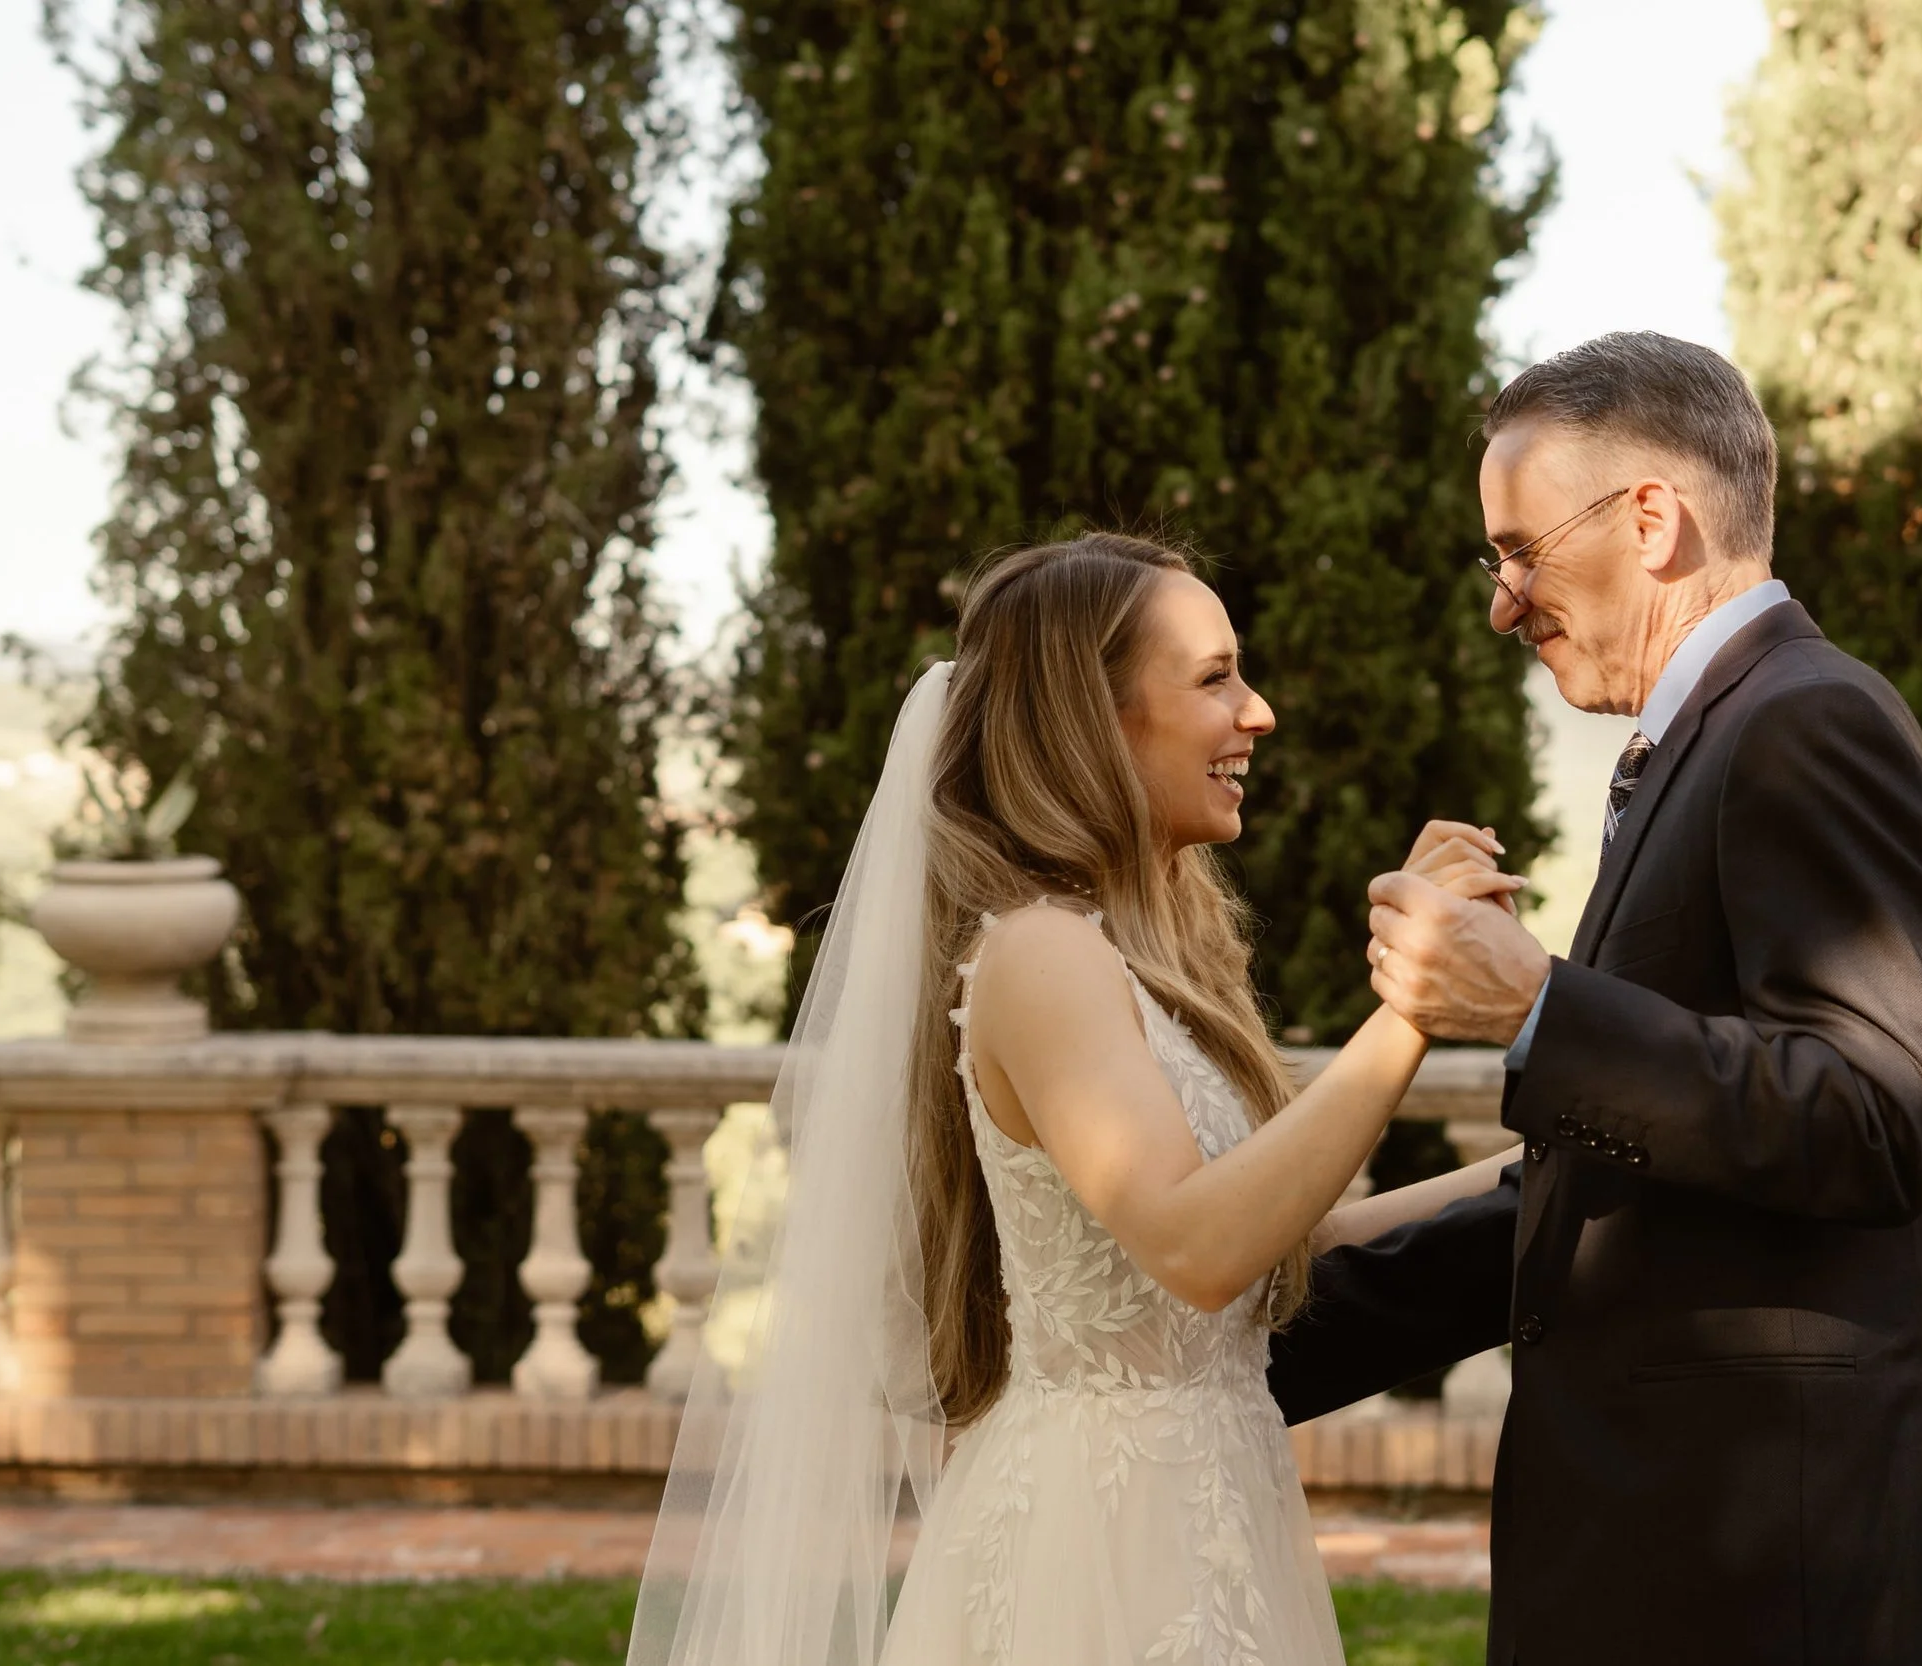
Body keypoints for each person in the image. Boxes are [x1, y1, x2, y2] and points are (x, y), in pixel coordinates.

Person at [628, 532, 1518, 1666]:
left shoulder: (1142, 952)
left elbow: (1282, 1238)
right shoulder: (1039, 956)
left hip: (1207, 1510)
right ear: (1091, 719)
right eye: (1212, 678)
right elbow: (1195, 1247)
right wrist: (1409, 1009)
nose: (1258, 714)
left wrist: (1536, 1171)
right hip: (1099, 1544)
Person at [1267, 332, 1922, 1664]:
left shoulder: (1808, 721)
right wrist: (1219, 1361)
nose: (1502, 601)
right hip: (1669, 1562)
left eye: (1519, 549)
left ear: (1651, 517)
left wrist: (1538, 1003)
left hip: (1780, 1585)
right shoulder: (1703, 742)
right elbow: (1600, 1197)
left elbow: (1877, 1117)